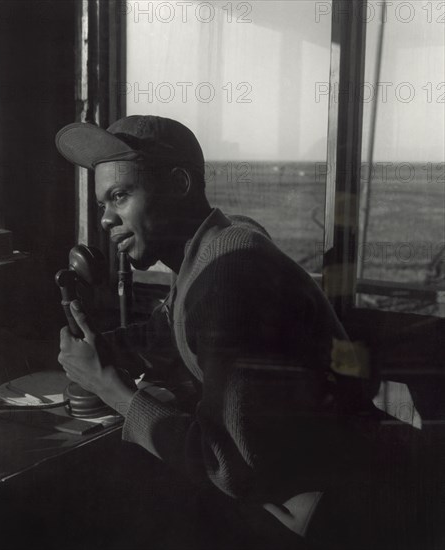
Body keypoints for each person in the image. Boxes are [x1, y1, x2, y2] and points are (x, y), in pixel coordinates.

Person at [55, 116, 394, 549]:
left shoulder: (228, 276)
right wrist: (106, 347)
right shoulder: (222, 239)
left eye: (120, 196)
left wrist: (109, 387)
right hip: (312, 486)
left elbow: (231, 466)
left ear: (179, 183)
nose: (105, 219)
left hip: (340, 510)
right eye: (104, 202)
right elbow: (174, 327)